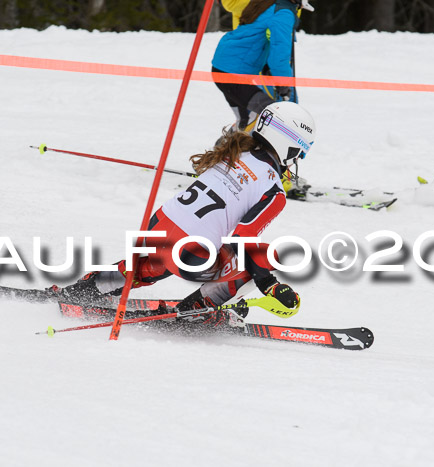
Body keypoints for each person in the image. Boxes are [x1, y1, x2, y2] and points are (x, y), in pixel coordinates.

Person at [52, 102, 316, 326]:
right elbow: (243, 238)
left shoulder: (234, 150)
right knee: (267, 254)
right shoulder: (274, 191)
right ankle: (199, 310)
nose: (296, 161)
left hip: (157, 226)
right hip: (189, 255)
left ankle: (88, 288)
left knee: (158, 261)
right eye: (298, 153)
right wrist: (269, 284)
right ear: (289, 146)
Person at [211, 0, 313, 132]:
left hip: (225, 66)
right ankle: (234, 148)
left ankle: (230, 147)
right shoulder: (283, 13)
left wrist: (266, 66)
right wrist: (283, 82)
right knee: (277, 117)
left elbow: (257, 38)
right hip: (233, 72)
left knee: (248, 120)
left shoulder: (268, 4)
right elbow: (279, 53)